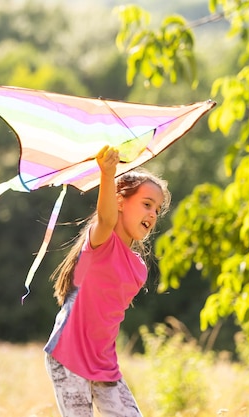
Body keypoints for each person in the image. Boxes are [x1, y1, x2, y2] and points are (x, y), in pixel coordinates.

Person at [44, 145, 171, 417]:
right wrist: (108, 173)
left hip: (104, 365)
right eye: (147, 204)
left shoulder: (139, 268)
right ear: (121, 201)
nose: (152, 214)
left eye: (157, 210)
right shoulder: (100, 242)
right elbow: (106, 218)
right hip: (69, 356)